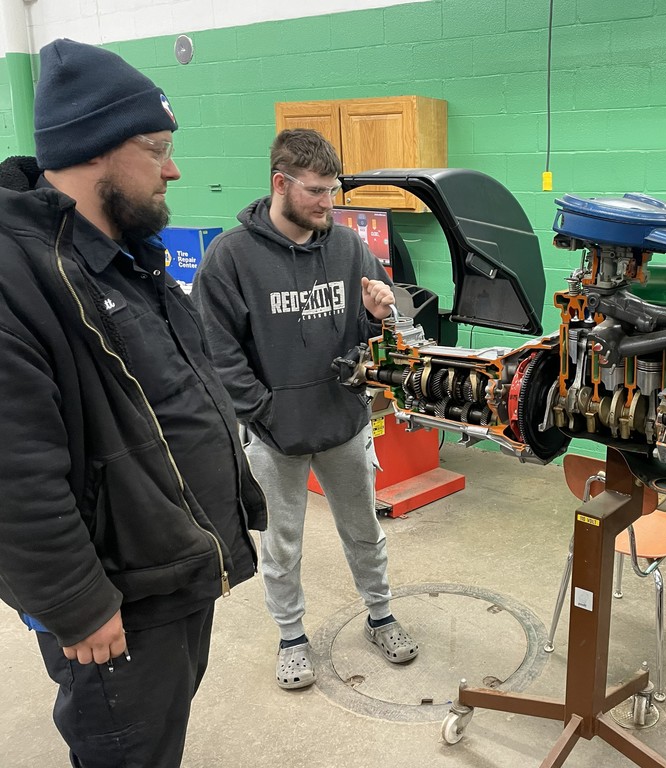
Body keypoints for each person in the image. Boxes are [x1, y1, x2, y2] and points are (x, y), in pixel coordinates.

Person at [0, 39, 267, 768]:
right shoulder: (19, 276)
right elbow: (14, 473)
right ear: (94, 149)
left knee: (159, 736)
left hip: (174, 570)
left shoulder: (126, 253)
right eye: (157, 147)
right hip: (115, 605)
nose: (174, 167)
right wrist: (77, 605)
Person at [193, 128, 418, 690]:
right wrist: (264, 411)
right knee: (281, 541)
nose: (329, 202)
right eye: (317, 190)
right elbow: (217, 349)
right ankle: (291, 636)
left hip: (344, 425)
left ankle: (380, 614)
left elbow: (380, 327)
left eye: (333, 189)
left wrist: (376, 315)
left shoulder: (347, 247)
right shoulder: (231, 257)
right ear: (280, 183)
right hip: (274, 436)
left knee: (363, 530)